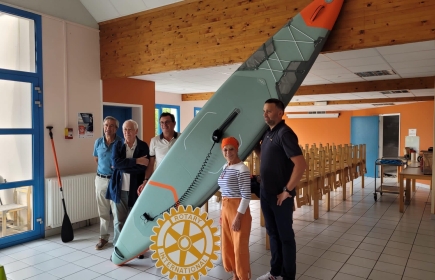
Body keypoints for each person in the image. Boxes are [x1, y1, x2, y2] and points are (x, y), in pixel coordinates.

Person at [255, 99, 307, 280]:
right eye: (264, 111)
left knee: (285, 236)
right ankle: (275, 272)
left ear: (280, 113)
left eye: (269, 111)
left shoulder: (284, 133)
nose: (265, 114)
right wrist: (256, 148)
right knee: (273, 234)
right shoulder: (269, 133)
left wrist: (287, 190)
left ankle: (288, 275)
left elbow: (300, 164)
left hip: (280, 196)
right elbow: (268, 157)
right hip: (266, 192)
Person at [106, 119, 149, 256]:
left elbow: (143, 167)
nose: (127, 132)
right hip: (118, 190)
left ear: (136, 131)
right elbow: (115, 163)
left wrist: (123, 166)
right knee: (119, 221)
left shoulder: (143, 146)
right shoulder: (117, 145)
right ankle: (118, 249)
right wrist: (135, 161)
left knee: (135, 221)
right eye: (125, 129)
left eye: (130, 129)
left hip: (135, 191)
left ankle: (137, 249)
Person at [218, 137, 252, 280]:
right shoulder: (226, 167)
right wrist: (222, 213)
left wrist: (238, 218)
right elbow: (223, 192)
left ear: (237, 149)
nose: (228, 152)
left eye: (231, 149)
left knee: (239, 247)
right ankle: (234, 274)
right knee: (227, 245)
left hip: (238, 211)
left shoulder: (242, 168)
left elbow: (246, 196)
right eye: (225, 149)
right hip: (226, 209)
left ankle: (243, 276)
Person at [93, 116, 122, 250]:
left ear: (116, 128)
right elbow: (96, 159)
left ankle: (118, 240)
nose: (108, 128)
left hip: (115, 180)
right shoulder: (98, 142)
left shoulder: (121, 142)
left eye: (111, 126)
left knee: (117, 211)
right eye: (106, 125)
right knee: (103, 211)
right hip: (100, 180)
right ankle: (103, 237)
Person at [137, 112, 180, 195]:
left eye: (167, 122)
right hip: (161, 179)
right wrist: (146, 180)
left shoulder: (182, 138)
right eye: (162, 122)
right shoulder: (154, 141)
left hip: (178, 178)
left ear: (174, 123)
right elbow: (151, 163)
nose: (164, 124)